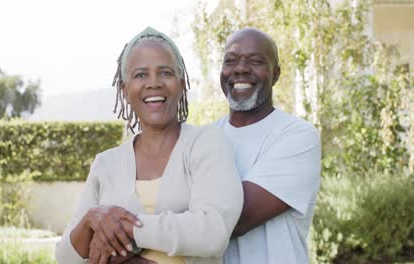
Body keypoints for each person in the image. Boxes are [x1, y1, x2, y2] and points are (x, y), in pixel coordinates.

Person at [55, 27, 244, 264]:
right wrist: (94, 218)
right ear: (125, 90)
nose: (153, 83)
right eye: (141, 75)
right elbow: (65, 257)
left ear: (182, 83)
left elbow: (211, 232)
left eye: (165, 73)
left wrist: (126, 231)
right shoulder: (106, 164)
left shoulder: (206, 144)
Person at [215, 28, 321, 264]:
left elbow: (235, 218)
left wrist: (141, 233)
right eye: (230, 60)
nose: (240, 68)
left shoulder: (297, 136)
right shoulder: (204, 138)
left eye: (255, 61)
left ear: (275, 74)